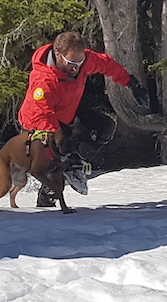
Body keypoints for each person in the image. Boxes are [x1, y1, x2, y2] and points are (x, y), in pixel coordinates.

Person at [18, 31, 150, 206]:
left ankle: (77, 163)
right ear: (58, 54)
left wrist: (131, 84)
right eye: (71, 63)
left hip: (67, 116)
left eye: (79, 63)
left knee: (105, 126)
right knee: (56, 171)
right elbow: (41, 117)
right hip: (38, 129)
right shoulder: (44, 82)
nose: (76, 68)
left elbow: (107, 65)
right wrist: (63, 150)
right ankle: (46, 202)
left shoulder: (83, 61)